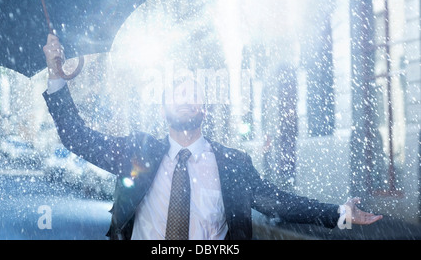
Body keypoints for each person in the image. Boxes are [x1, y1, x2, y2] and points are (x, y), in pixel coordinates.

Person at [42, 34, 382, 240]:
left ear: (205, 109)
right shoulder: (138, 152)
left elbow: (277, 202)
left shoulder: (234, 164)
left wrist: (340, 213)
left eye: (194, 94)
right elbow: (77, 137)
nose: (187, 99)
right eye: (178, 94)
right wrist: (55, 75)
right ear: (163, 109)